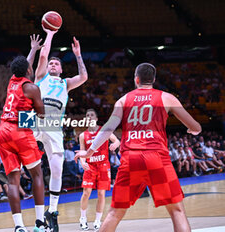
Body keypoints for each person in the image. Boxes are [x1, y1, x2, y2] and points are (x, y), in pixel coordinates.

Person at [75, 63, 202, 232]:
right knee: (177, 211)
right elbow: (196, 127)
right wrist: (193, 130)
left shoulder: (123, 100)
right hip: (157, 158)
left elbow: (107, 128)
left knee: (114, 213)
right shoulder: (166, 97)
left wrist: (89, 151)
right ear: (153, 80)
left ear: (136, 79)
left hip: (130, 159)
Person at [33, 26, 88, 232]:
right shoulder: (41, 77)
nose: (53, 64)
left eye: (57, 63)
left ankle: (52, 210)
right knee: (18, 138)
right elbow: (43, 55)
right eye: (51, 63)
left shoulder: (66, 83)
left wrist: (78, 55)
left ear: (62, 69)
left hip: (55, 123)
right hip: (35, 119)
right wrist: (50, 34)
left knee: (57, 168)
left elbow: (83, 77)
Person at [0, 34, 47, 232]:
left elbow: (25, 65)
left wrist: (33, 49)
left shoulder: (12, 82)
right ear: (28, 70)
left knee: (12, 180)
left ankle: (19, 227)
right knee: (37, 175)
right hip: (19, 131)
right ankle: (40, 222)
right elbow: (41, 115)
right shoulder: (32, 88)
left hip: (2, 131)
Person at [78, 109, 120, 231]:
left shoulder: (104, 131)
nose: (89, 117)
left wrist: (115, 145)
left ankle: (97, 220)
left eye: (92, 115)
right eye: (87, 115)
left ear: (96, 119)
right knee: (86, 193)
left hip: (103, 166)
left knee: (101, 194)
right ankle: (83, 218)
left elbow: (117, 140)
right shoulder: (82, 135)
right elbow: (82, 152)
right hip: (90, 166)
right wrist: (82, 162)